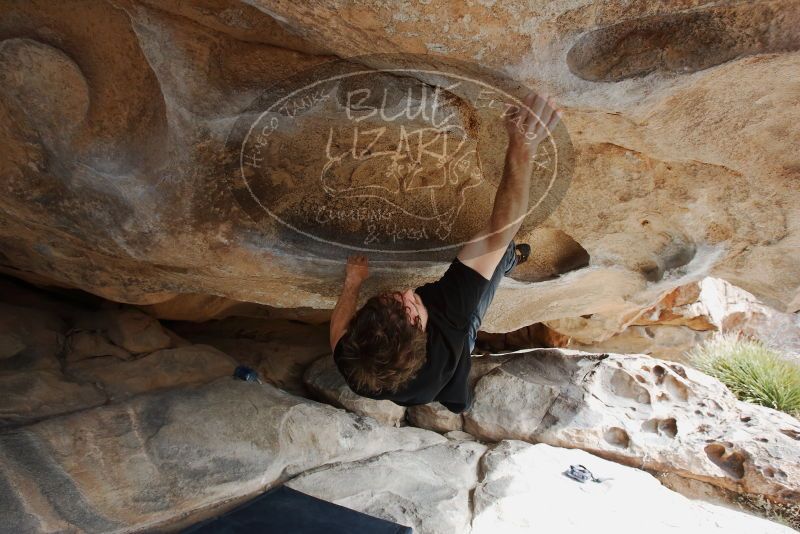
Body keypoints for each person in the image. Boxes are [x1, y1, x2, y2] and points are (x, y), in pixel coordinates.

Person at [329, 92, 562, 413]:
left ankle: (457, 403)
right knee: (495, 265)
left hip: (415, 388)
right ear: (422, 329)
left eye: (395, 298)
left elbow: (338, 330)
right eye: (409, 305)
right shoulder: (452, 317)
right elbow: (499, 229)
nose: (410, 291)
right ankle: (511, 259)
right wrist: (522, 148)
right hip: (454, 352)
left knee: (452, 394)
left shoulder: (355, 362)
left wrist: (353, 283)